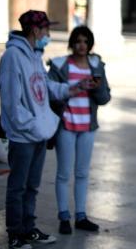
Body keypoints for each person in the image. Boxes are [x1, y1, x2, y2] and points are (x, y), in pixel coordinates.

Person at [0, 10, 93, 249]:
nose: (49, 34)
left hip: (39, 132)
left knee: (32, 186)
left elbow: (45, 86)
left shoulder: (34, 56)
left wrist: (73, 88)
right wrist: (30, 124)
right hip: (24, 135)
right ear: (35, 30)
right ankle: (15, 233)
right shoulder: (12, 56)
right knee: (17, 187)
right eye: (46, 30)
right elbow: (11, 102)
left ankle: (29, 227)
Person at [47, 26, 111, 235]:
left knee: (82, 173)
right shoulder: (60, 65)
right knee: (64, 173)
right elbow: (50, 95)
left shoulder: (96, 66)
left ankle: (81, 215)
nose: (81, 45)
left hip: (88, 126)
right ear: (72, 43)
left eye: (85, 41)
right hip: (66, 124)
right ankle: (64, 216)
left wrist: (96, 86)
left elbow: (104, 98)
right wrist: (75, 88)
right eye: (78, 41)